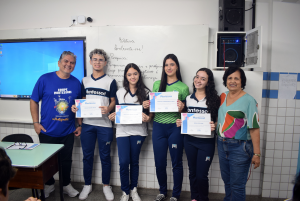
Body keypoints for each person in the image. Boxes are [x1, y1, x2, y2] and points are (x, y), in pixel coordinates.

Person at [30, 51, 81, 198]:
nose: (68, 64)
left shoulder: (76, 82)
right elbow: (34, 100)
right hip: (47, 130)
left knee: (66, 160)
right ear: (59, 63)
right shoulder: (44, 79)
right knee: (47, 162)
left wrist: (79, 125)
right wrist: (35, 123)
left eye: (72, 63)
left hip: (68, 131)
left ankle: (66, 185)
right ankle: (49, 184)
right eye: (66, 61)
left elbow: (79, 106)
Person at [71, 49, 117, 201]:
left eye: (100, 59)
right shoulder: (84, 81)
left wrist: (109, 109)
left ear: (105, 62)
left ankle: (106, 186)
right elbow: (82, 101)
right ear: (90, 61)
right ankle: (87, 185)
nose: (97, 62)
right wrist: (77, 110)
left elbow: (113, 102)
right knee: (87, 156)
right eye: (95, 59)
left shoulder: (110, 81)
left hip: (105, 125)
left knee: (105, 157)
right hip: (88, 125)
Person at [143, 54, 189, 201]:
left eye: (172, 64)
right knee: (159, 161)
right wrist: (148, 105)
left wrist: (183, 108)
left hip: (175, 128)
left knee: (176, 162)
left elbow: (186, 113)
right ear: (164, 68)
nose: (169, 67)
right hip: (158, 127)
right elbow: (153, 109)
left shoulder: (183, 87)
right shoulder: (157, 84)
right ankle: (162, 191)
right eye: (166, 65)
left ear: (177, 67)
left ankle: (175, 195)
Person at [176, 68, 220, 201]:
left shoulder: (214, 99)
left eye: (203, 78)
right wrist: (181, 121)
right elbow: (187, 119)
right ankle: (194, 198)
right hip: (189, 140)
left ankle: (203, 198)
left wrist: (215, 125)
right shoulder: (188, 99)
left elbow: (219, 120)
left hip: (206, 143)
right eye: (197, 77)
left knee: (202, 175)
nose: (198, 80)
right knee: (193, 173)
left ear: (208, 82)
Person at [108, 63, 151, 201]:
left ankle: (134, 190)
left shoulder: (146, 92)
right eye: (129, 74)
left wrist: (147, 115)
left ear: (139, 75)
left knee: (134, 161)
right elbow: (119, 111)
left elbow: (150, 114)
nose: (133, 77)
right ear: (126, 77)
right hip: (122, 131)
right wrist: (113, 115)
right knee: (124, 162)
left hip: (138, 131)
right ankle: (125, 191)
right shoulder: (120, 92)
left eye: (135, 74)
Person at [217, 67, 260, 201]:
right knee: (227, 181)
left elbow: (254, 128)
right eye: (229, 78)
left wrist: (257, 153)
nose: (232, 81)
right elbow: (221, 118)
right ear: (225, 80)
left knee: (237, 185)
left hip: (240, 147)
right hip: (221, 144)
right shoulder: (223, 96)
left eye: (236, 78)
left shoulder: (249, 101)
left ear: (242, 81)